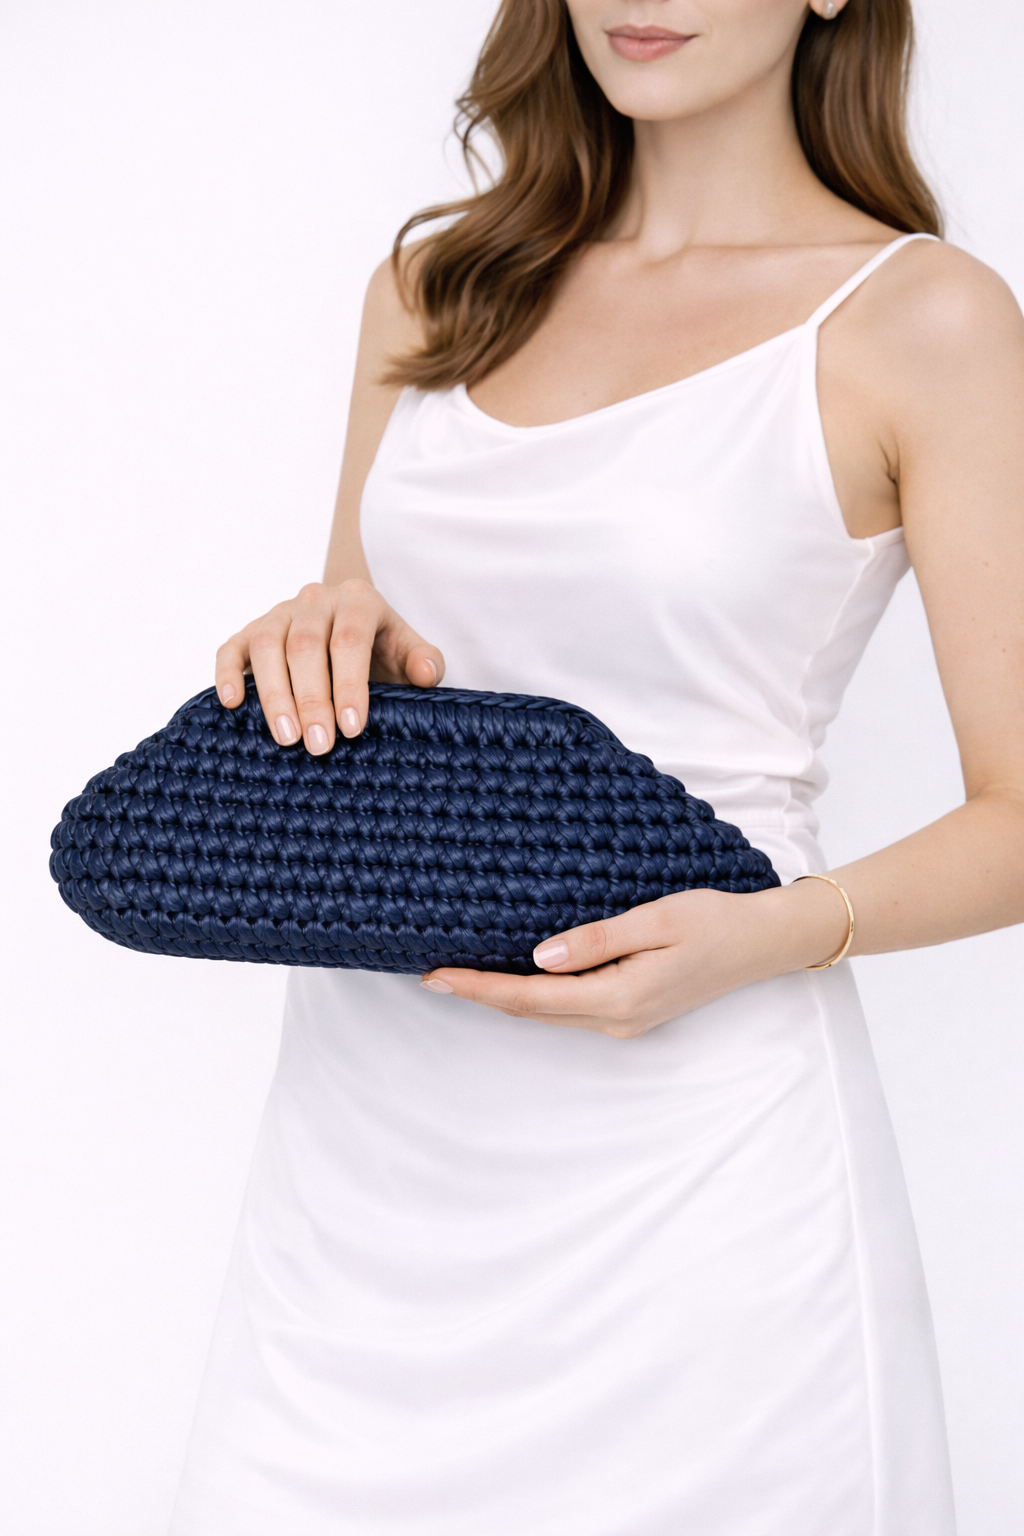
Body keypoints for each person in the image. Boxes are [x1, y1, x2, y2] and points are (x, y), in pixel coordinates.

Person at [169, 2, 1024, 1532]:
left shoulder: (922, 320)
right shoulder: (436, 287)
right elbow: (372, 679)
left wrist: (775, 929)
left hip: (699, 1167)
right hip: (365, 1165)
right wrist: (317, 631)